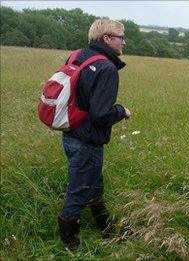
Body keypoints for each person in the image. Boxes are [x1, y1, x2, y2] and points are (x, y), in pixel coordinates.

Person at [58, 18, 132, 251]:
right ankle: (69, 243)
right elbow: (101, 114)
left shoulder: (78, 55)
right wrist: (122, 111)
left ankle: (105, 227)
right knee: (78, 191)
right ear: (106, 39)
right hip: (87, 140)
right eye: (121, 37)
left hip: (70, 134)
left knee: (94, 184)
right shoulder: (107, 68)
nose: (124, 42)